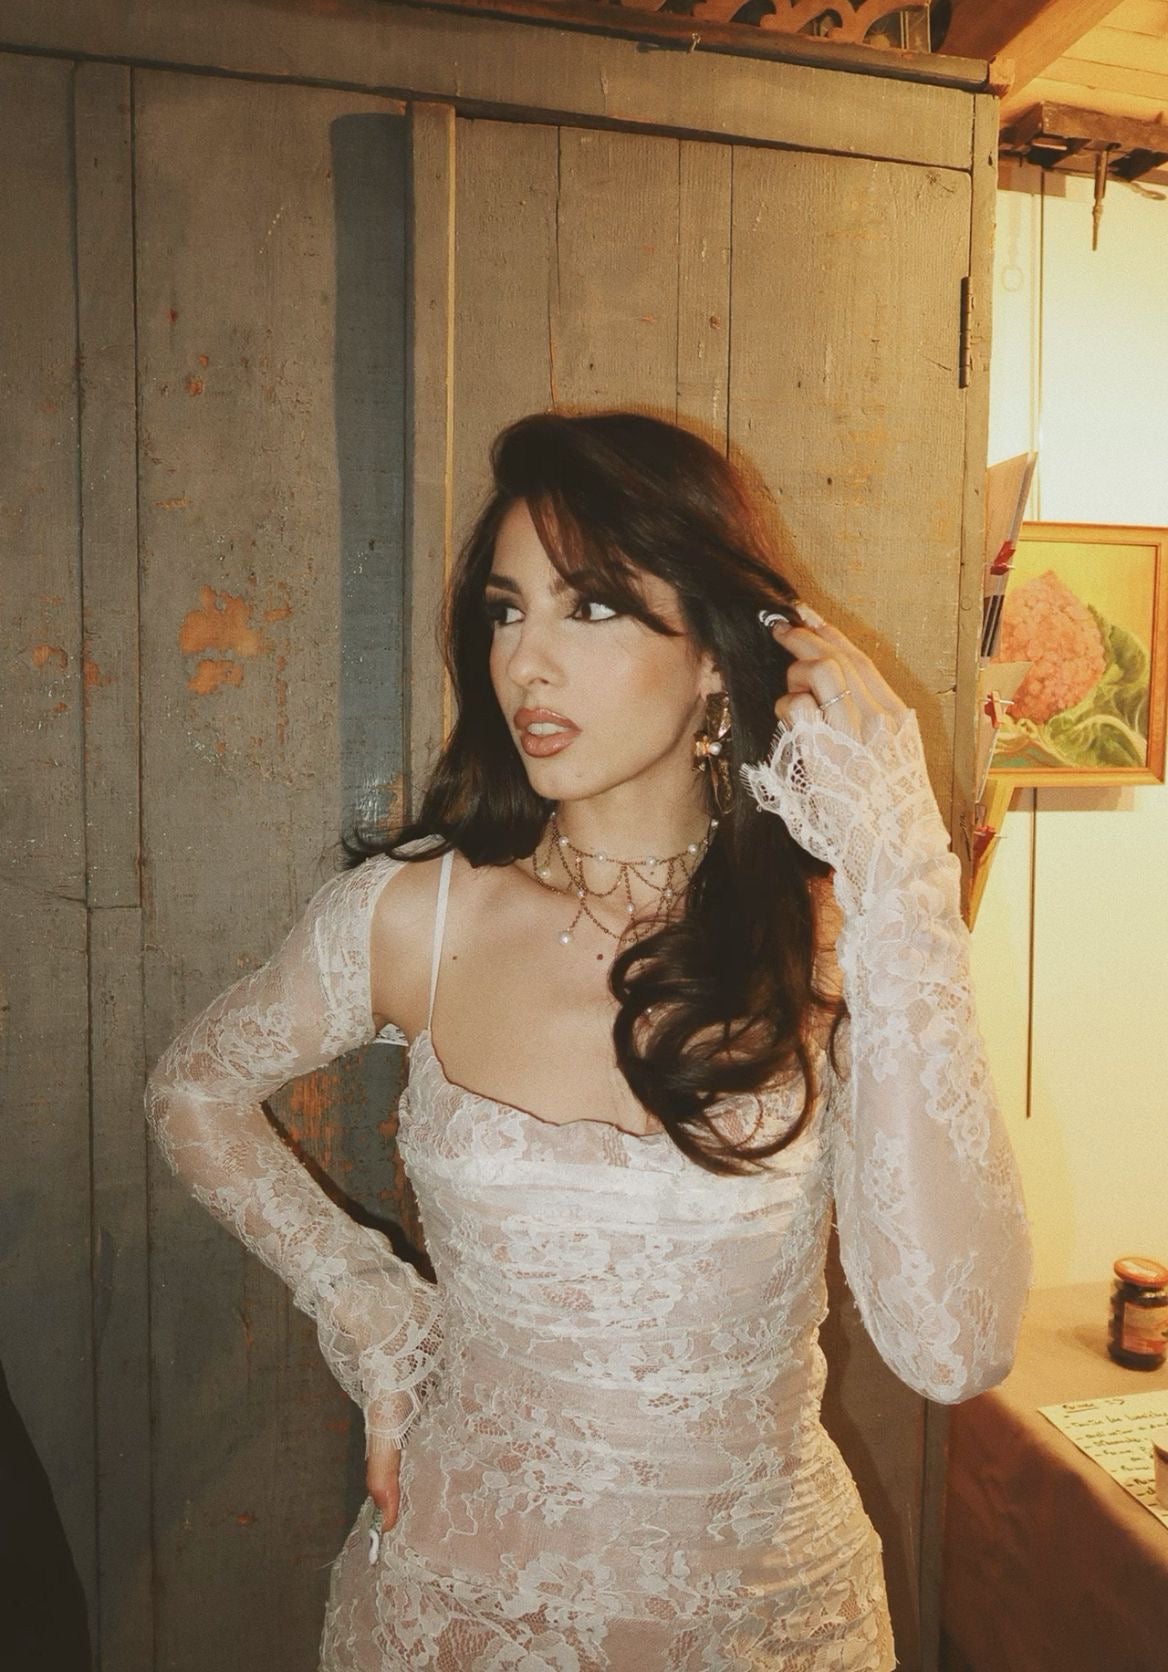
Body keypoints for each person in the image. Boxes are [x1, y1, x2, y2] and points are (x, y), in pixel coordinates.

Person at [147, 410, 1030, 1670]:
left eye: (593, 607)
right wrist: (369, 1308)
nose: (526, 663)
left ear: (715, 656)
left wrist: (903, 873)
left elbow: (951, 1346)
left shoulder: (842, 939)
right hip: (458, 1607)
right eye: (506, 612)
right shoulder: (415, 917)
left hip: (770, 1621)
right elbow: (192, 1092)